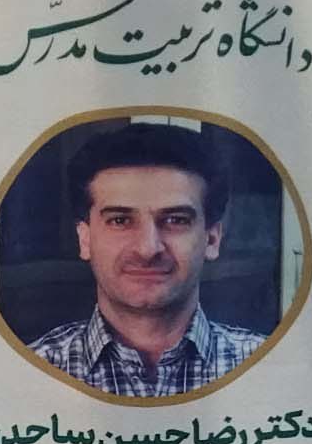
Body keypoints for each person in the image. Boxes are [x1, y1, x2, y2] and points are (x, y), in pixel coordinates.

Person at [28, 122, 266, 399]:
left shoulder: (269, 368)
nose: (147, 249)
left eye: (175, 220)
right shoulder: (28, 374)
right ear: (85, 239)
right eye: (120, 220)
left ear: (211, 240)